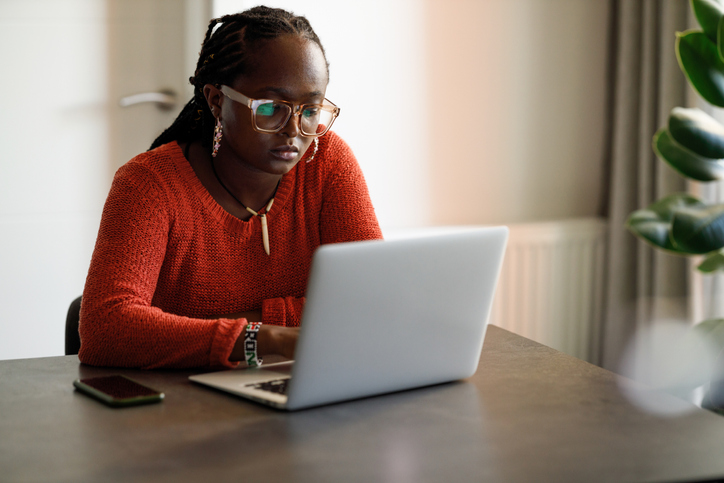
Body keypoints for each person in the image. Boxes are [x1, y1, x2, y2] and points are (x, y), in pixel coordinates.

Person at [78, 6, 382, 369]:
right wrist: (266, 337)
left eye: (310, 110)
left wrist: (234, 323)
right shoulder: (150, 185)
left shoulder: (327, 162)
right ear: (216, 100)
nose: (294, 130)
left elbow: (373, 302)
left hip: (298, 386)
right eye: (271, 108)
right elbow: (106, 327)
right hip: (180, 405)